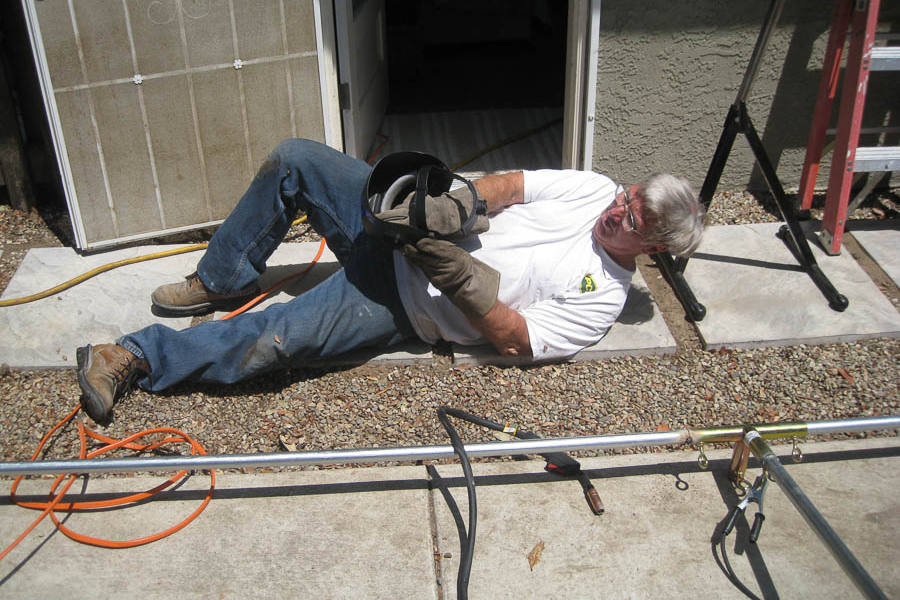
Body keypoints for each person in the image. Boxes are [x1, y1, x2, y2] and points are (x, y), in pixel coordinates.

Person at [75, 139, 705, 425]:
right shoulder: (594, 188)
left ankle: (130, 355)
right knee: (297, 160)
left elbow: (516, 339)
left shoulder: (600, 302)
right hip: (398, 228)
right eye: (629, 195)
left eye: (634, 219)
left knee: (273, 343)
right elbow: (513, 185)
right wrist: (454, 205)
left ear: (652, 246)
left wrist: (451, 267)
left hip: (401, 297)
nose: (617, 209)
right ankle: (223, 276)